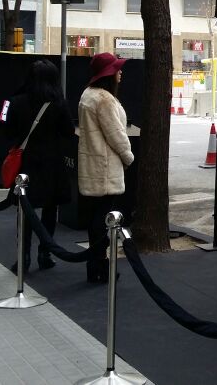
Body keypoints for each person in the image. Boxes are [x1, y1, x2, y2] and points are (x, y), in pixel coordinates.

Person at [3, 60, 74, 273]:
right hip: (52, 162)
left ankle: (23, 256)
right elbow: (69, 131)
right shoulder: (59, 103)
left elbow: (8, 132)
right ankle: (46, 253)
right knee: (50, 209)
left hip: (26, 162)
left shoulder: (16, 101)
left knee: (25, 209)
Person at [78, 53, 134, 284]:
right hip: (105, 168)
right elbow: (116, 135)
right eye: (117, 69)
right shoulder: (104, 100)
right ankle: (100, 266)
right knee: (103, 221)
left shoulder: (87, 95)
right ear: (108, 74)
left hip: (92, 165)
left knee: (95, 219)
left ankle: (95, 266)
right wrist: (128, 157)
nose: (120, 72)